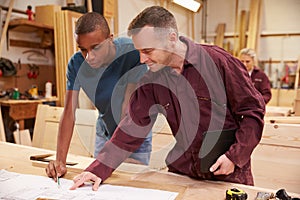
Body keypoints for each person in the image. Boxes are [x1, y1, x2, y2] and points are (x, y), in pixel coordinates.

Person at [64, 6, 265, 191]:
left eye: (148, 51)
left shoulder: (218, 62)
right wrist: (97, 169)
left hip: (228, 175)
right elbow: (130, 128)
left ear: (171, 38)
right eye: (139, 52)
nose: (142, 60)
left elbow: (252, 112)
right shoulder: (151, 80)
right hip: (185, 175)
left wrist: (234, 156)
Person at [45, 12, 152, 181]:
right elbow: (69, 113)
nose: (89, 57)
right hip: (104, 130)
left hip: (133, 129)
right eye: (82, 50)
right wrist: (60, 161)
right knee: (96, 185)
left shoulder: (131, 54)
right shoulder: (76, 65)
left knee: (129, 185)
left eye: (95, 47)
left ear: (110, 39)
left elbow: (127, 109)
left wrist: (114, 158)